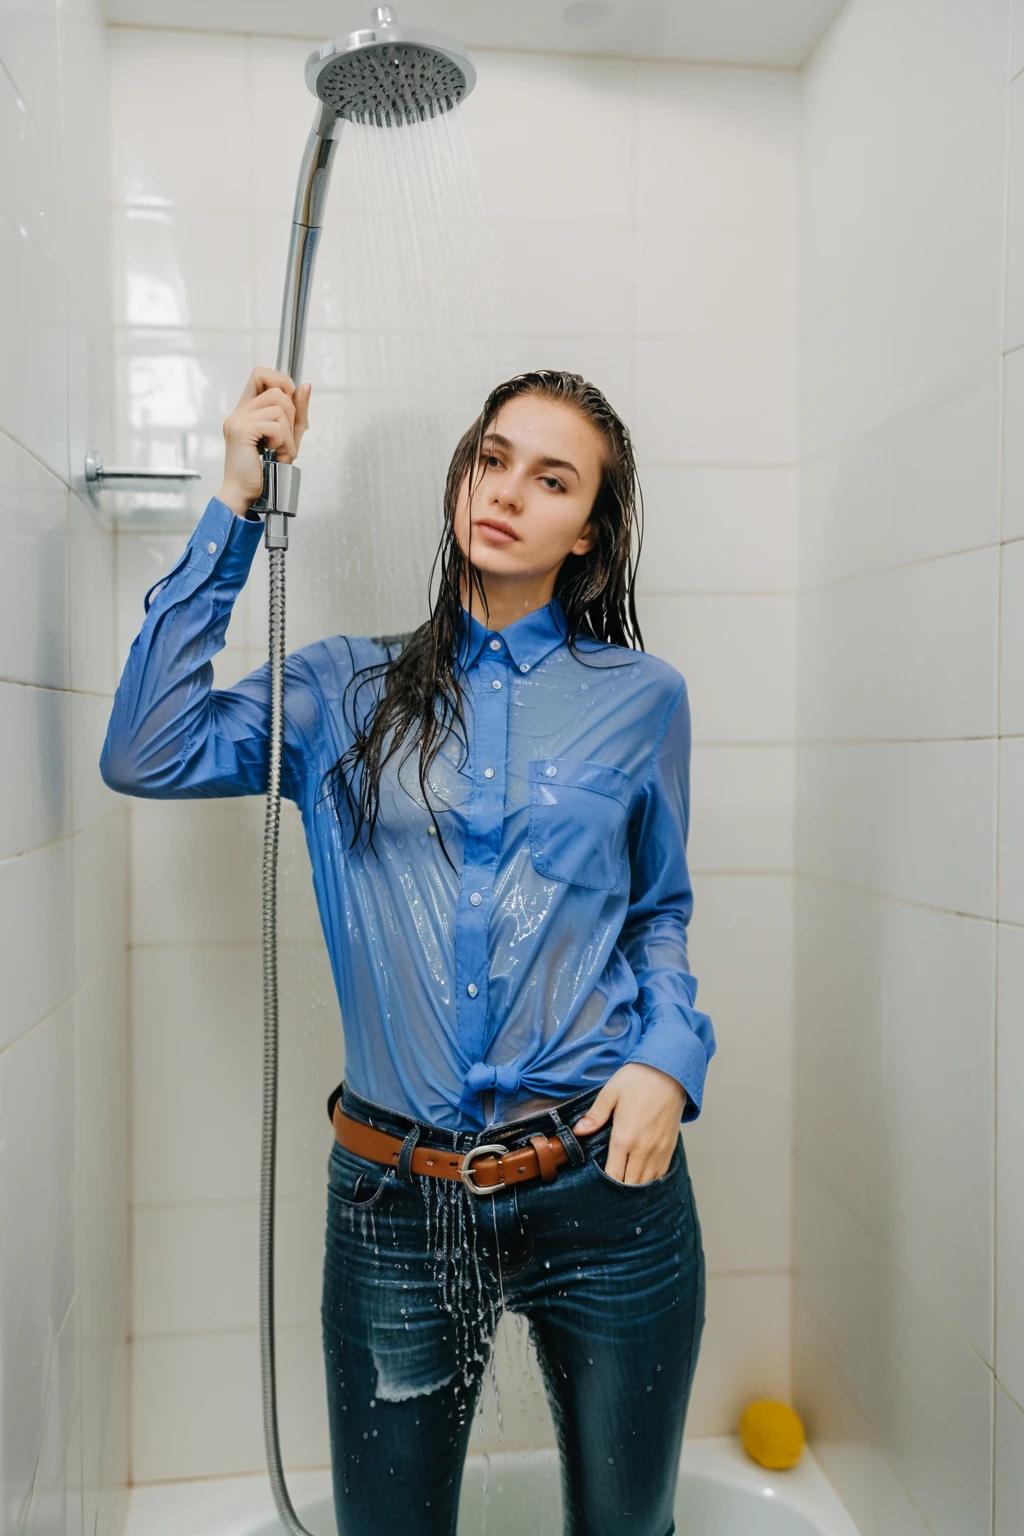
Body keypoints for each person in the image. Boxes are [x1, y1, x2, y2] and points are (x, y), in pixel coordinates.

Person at [101, 365, 714, 1536]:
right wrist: (235, 502)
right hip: (395, 1200)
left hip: (606, 1195)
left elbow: (657, 913)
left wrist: (670, 1056)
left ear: (588, 534)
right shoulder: (343, 688)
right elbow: (148, 749)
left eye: (551, 479)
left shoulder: (644, 699)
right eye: (491, 459)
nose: (507, 493)